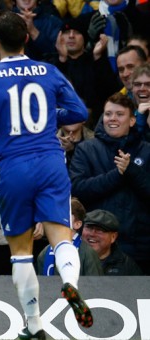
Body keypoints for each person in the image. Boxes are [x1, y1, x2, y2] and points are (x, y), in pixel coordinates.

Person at [0, 12, 92, 339]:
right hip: (51, 162)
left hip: (13, 167)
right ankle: (69, 283)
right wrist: (49, 115)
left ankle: (34, 324)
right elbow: (79, 112)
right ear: (26, 39)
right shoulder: (48, 70)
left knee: (20, 252)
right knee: (61, 237)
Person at [70, 92, 150, 274]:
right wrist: (117, 174)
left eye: (119, 114)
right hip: (94, 246)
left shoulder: (147, 150)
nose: (112, 119)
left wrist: (132, 171)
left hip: (140, 248)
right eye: (108, 114)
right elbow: (78, 188)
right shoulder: (86, 149)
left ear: (132, 120)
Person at [36, 198, 103, 276]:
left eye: (64, 215)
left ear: (77, 224)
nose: (57, 219)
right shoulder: (45, 252)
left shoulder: (87, 253)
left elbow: (96, 286)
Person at [81, 209, 144, 275]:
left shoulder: (127, 266)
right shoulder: (71, 258)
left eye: (99, 230)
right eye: (89, 228)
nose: (92, 234)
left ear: (113, 237)